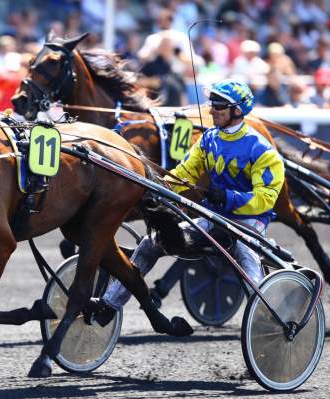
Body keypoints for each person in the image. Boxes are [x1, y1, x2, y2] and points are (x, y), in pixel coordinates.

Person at [89, 79, 285, 322]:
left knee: (247, 262)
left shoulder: (262, 150)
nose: (211, 109)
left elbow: (265, 200)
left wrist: (227, 197)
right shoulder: (209, 139)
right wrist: (155, 188)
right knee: (150, 244)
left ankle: (266, 320)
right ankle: (109, 304)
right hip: (212, 220)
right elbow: (184, 174)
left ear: (237, 110)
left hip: (248, 224)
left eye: (218, 105)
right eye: (211, 103)